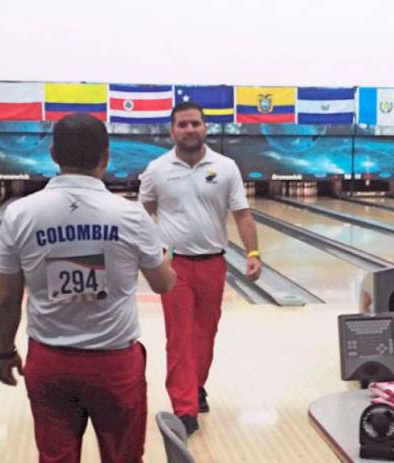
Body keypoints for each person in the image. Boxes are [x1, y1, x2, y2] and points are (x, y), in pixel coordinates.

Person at [0, 113, 176, 463]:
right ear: (106, 156)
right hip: (115, 365)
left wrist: (5, 351)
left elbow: (6, 299)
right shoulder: (130, 215)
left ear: (53, 154)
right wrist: (165, 257)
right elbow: (163, 284)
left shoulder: (19, 214)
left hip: (49, 362)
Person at [138, 101, 261, 435]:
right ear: (172, 131)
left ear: (205, 127)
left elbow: (242, 214)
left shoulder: (225, 167)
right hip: (173, 266)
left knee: (205, 334)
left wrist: (253, 252)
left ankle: (196, 386)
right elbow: (142, 213)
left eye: (195, 123)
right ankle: (184, 408)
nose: (190, 129)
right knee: (179, 337)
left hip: (213, 263)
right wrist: (151, 253)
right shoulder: (157, 169)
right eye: (183, 124)